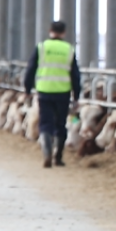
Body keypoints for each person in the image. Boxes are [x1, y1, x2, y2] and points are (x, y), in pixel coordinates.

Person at [24, 21, 81, 168]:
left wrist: (27, 89)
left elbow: (30, 69)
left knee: (45, 123)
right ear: (64, 33)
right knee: (61, 124)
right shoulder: (69, 49)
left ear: (50, 31)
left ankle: (46, 152)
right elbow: (75, 74)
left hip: (44, 91)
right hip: (63, 92)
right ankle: (58, 156)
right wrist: (77, 95)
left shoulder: (42, 47)